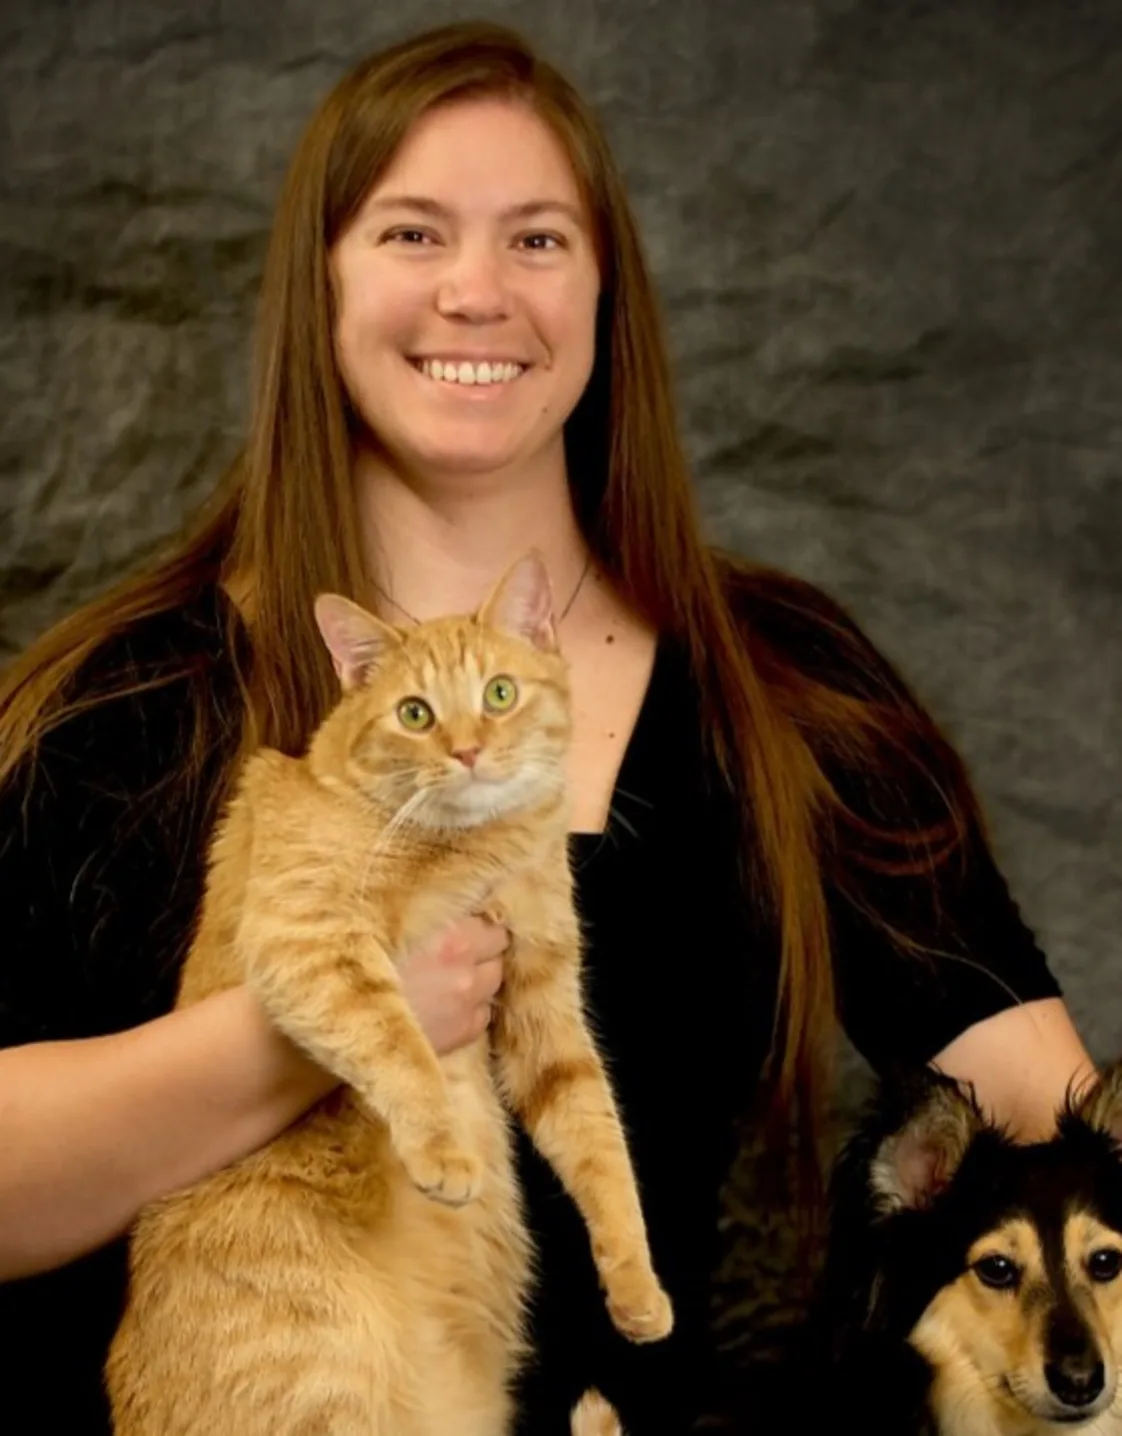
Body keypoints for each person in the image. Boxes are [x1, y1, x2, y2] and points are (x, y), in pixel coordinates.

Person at [0, 19, 1093, 1435]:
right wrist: (319, 1027)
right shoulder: (132, 703)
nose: (476, 293)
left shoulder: (785, 687)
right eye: (410, 233)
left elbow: (1058, 1123)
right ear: (319, 287)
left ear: (602, 292)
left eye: (535, 240)